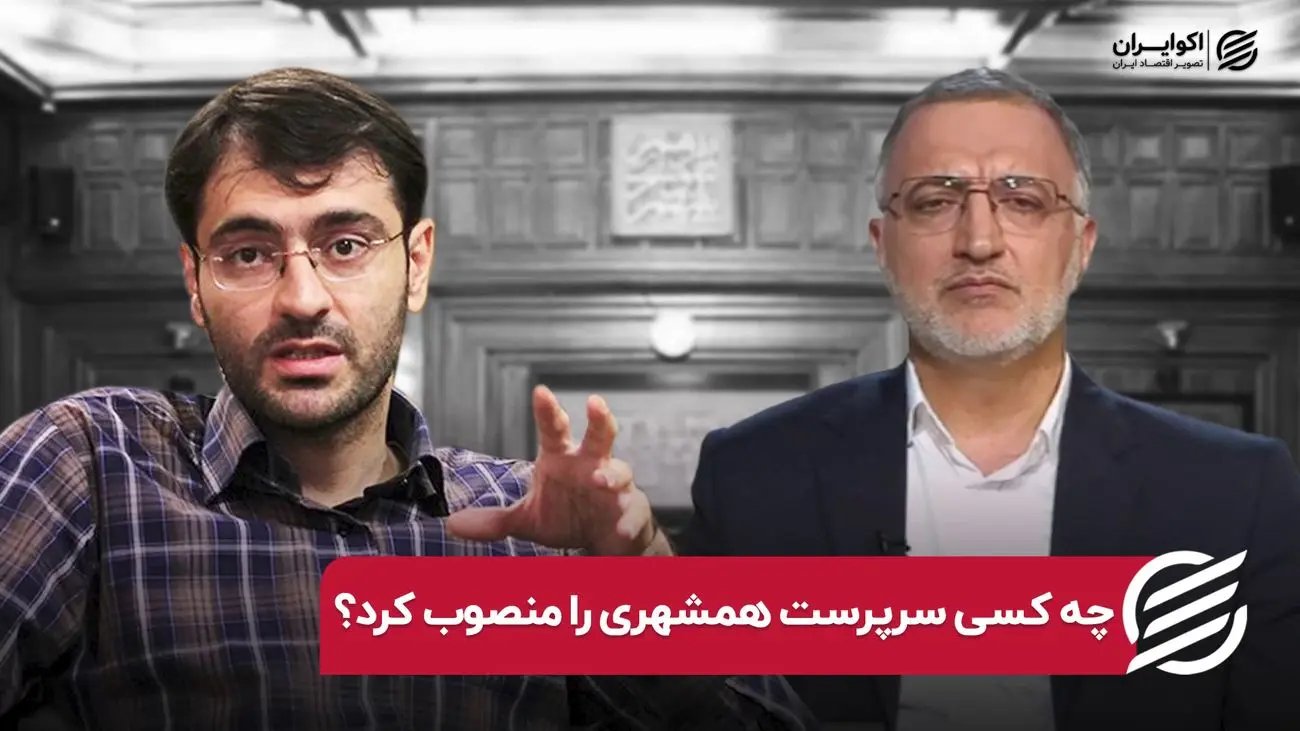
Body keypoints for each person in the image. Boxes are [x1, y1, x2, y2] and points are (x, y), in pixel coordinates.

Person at [0, 67, 817, 731]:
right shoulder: (92, 464)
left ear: (416, 264)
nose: (302, 297)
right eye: (248, 253)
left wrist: (643, 586)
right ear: (195, 282)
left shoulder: (532, 529)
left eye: (346, 244)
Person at [667, 68, 1300, 730]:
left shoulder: (1237, 492)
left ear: (1081, 247)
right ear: (883, 246)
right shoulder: (755, 474)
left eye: (1022, 200)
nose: (978, 242)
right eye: (934, 202)